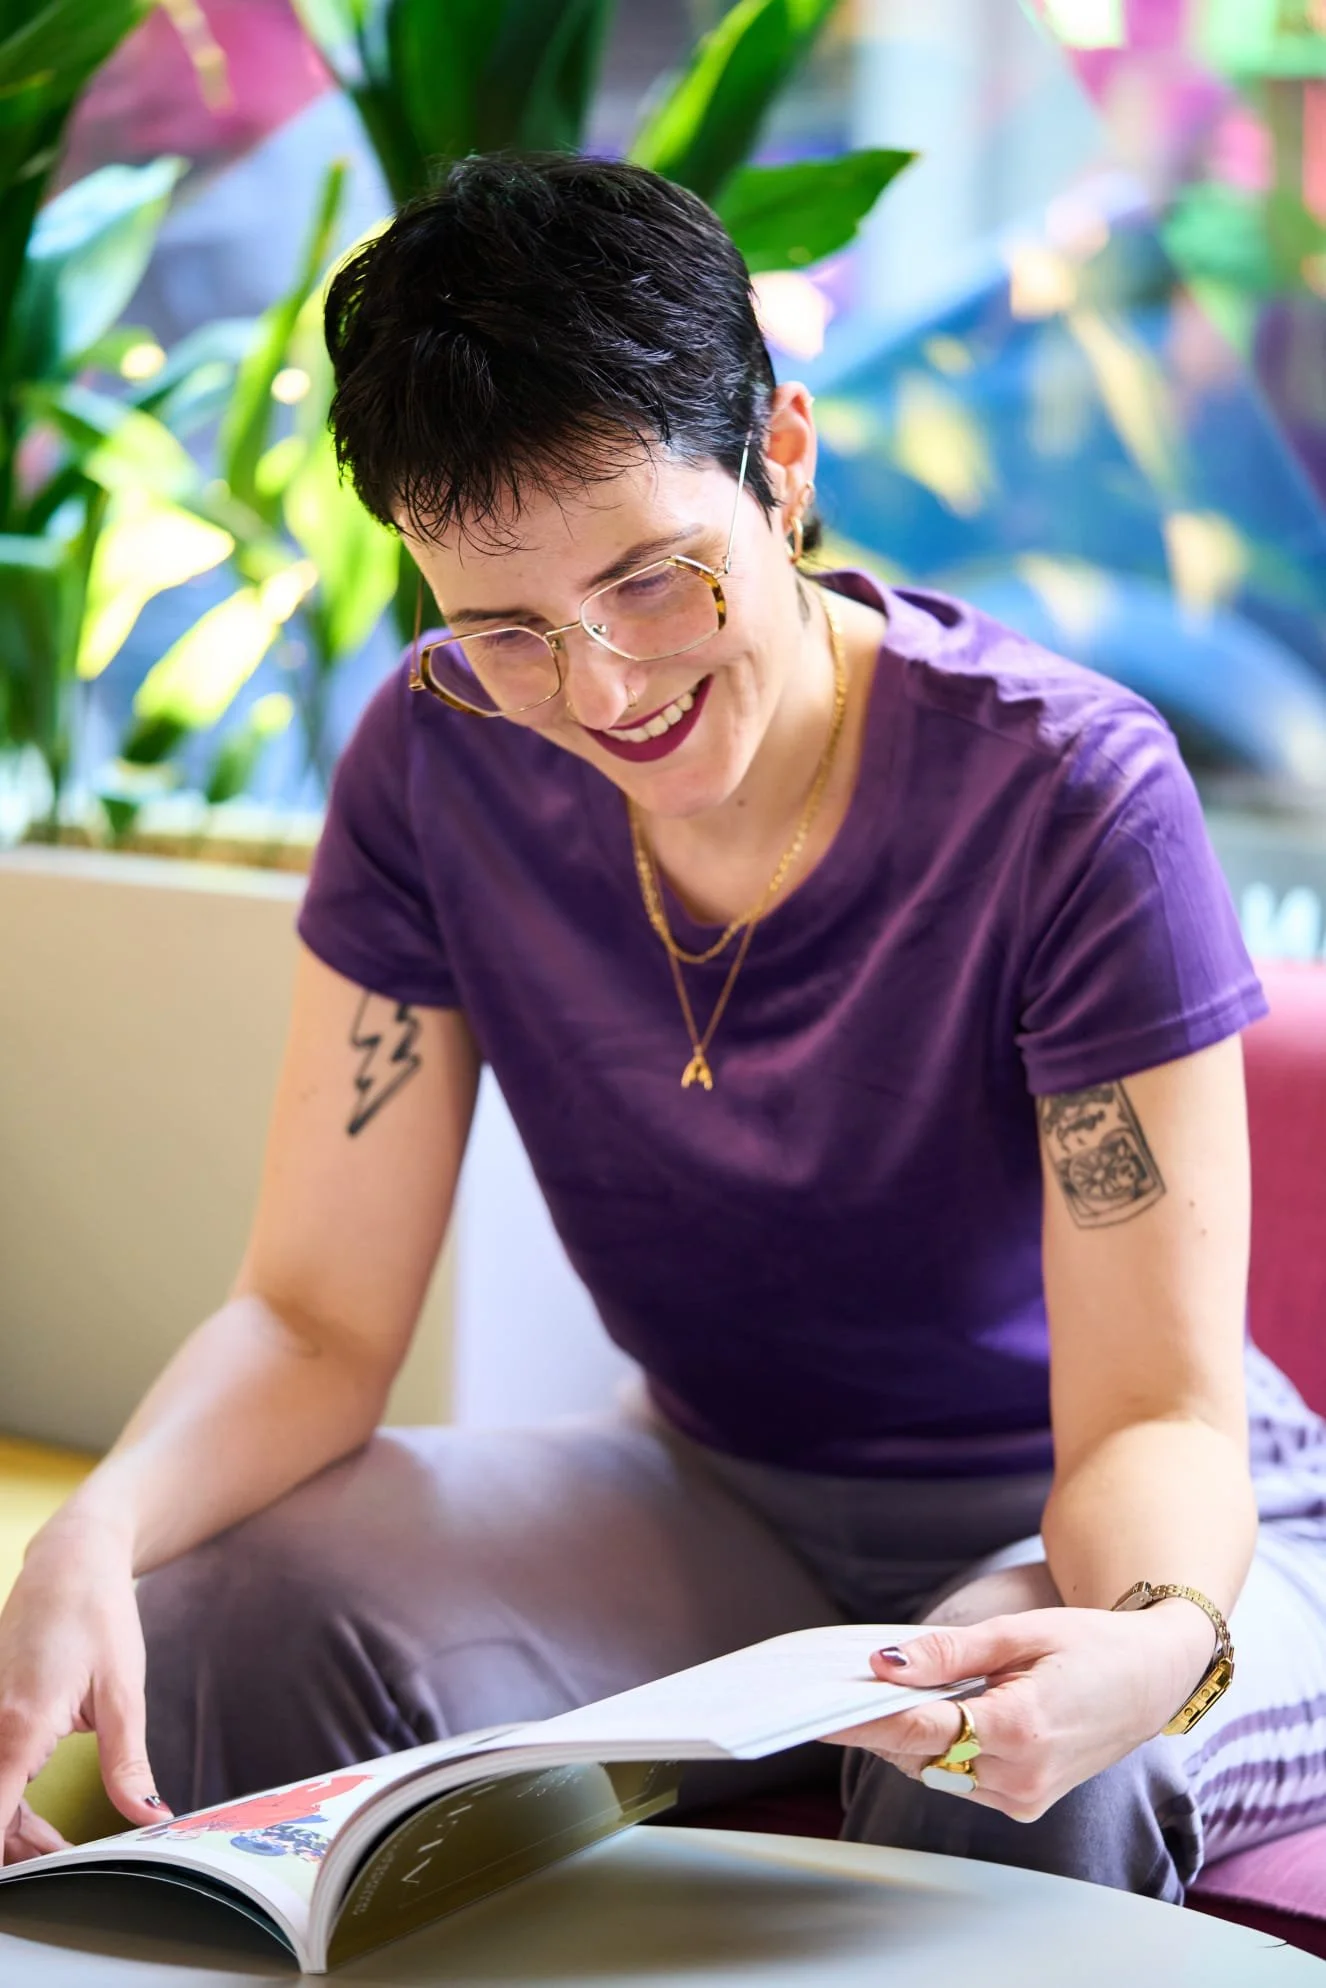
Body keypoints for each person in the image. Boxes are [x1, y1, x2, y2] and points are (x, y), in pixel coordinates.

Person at [3, 154, 1325, 1900]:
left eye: (652, 581)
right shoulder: (437, 764)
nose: (604, 691)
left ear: (782, 456)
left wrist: (1153, 1640)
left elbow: (1154, 1417)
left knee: (1019, 1763)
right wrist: (96, 1528)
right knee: (221, 1604)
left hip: (1122, 1512)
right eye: (505, 632)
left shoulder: (1068, 796)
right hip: (715, 1484)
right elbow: (314, 1317)